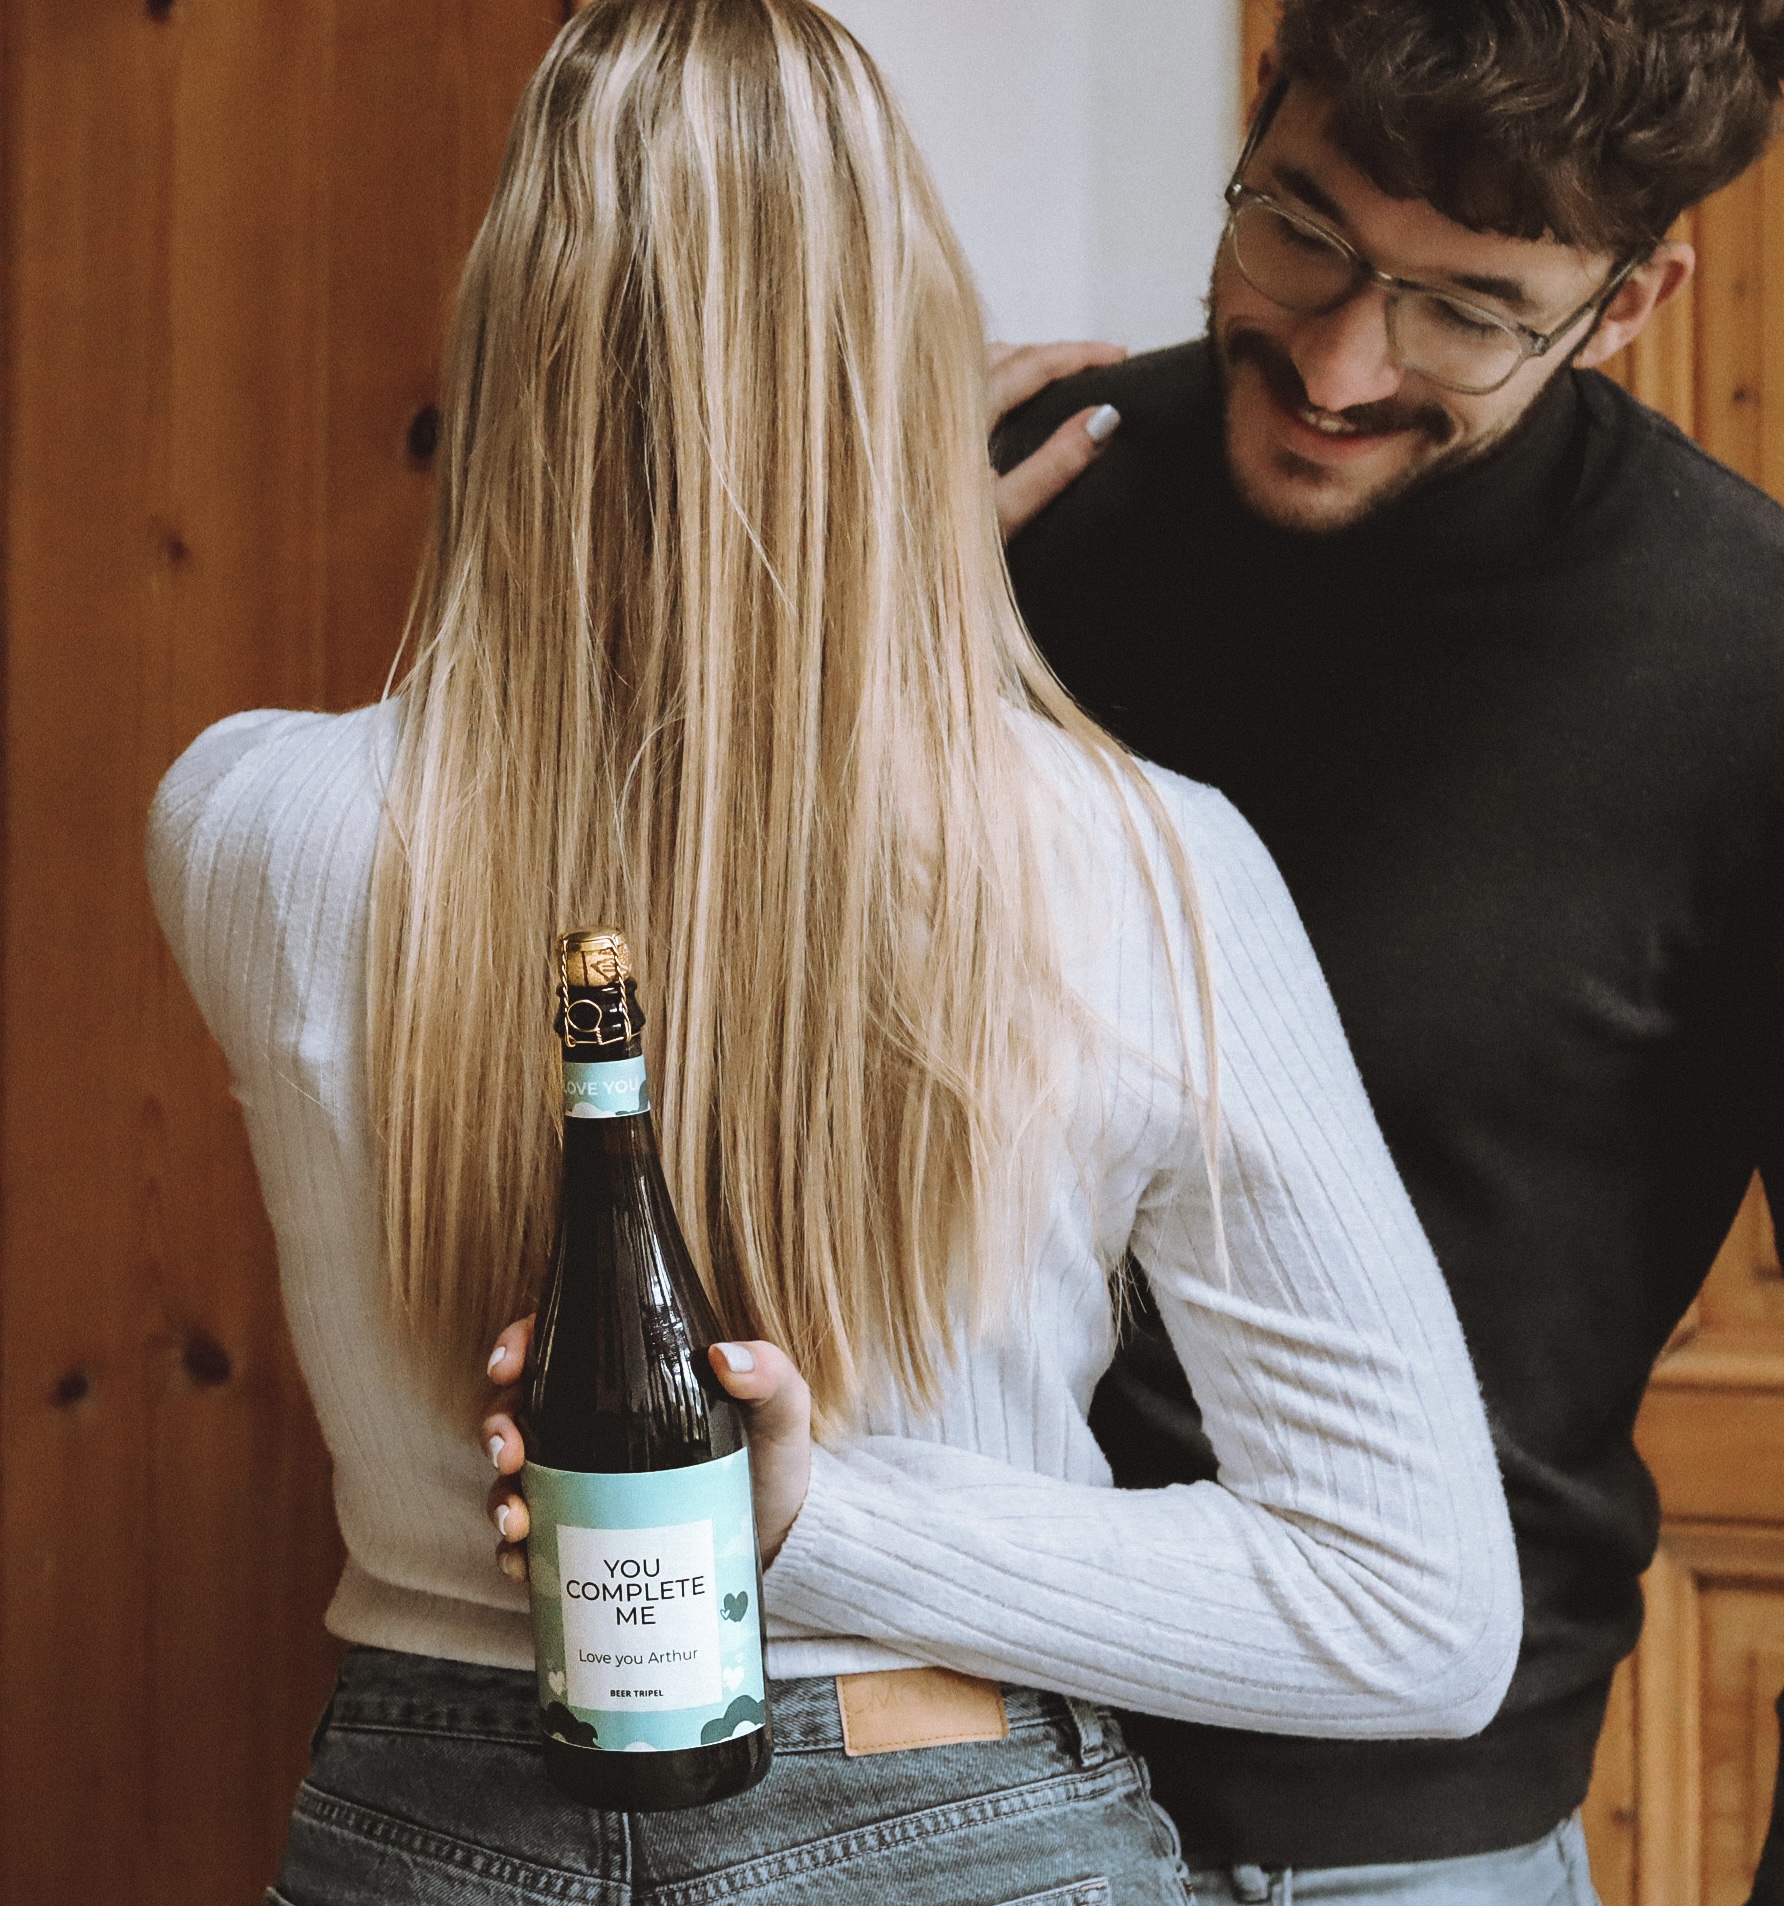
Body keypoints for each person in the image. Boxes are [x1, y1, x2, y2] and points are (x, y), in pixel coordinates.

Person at [146, 4, 1522, 1902]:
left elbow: (596, 784)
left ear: (509, 344)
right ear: (903, 365)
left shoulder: (242, 825)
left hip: (428, 1821)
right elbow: (1412, 1615)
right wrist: (820, 1520)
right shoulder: (1143, 867)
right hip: (947, 1807)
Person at [992, 1, 1784, 1902]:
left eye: (1468, 313)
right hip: (894, 1783)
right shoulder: (992, 514)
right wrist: (799, 599)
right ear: (1259, 120)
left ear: (1629, 303)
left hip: (1384, 1854)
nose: (1338, 362)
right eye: (1299, 233)